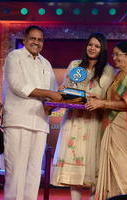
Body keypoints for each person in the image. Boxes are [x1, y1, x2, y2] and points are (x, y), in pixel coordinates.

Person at [50, 32, 114, 200]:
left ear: (103, 49)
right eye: (90, 45)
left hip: (94, 121)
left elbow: (106, 97)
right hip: (74, 121)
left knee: (93, 168)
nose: (92, 48)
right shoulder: (75, 65)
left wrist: (96, 99)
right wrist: (77, 95)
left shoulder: (108, 71)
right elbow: (65, 89)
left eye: (97, 46)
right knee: (74, 172)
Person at [3, 25, 62, 200]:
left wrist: (55, 102)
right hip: (18, 120)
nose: (36, 42)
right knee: (16, 169)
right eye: (33, 38)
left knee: (35, 171)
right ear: (25, 39)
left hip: (40, 122)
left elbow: (52, 92)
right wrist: (49, 94)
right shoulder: (15, 57)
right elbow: (18, 85)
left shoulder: (46, 63)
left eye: (40, 39)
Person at [85, 41, 127, 200]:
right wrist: (99, 99)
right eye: (113, 54)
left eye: (117, 54)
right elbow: (114, 99)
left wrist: (103, 103)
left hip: (125, 127)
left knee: (124, 168)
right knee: (111, 170)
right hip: (111, 125)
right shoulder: (118, 74)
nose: (114, 58)